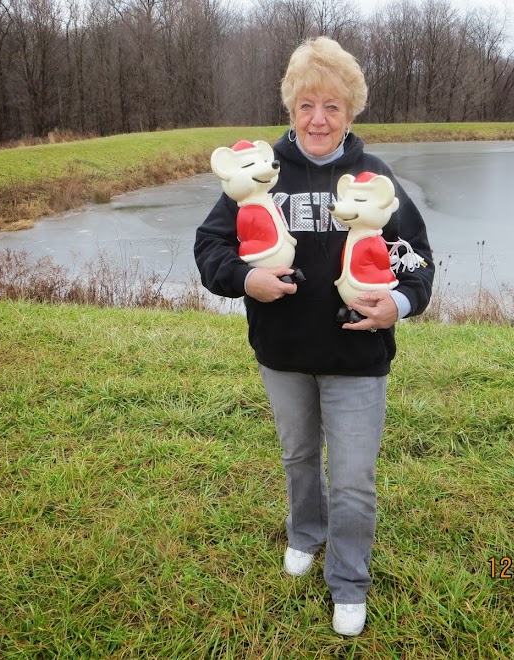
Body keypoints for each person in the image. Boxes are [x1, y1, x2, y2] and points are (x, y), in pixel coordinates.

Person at [194, 36, 434, 637]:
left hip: (358, 357)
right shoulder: (260, 174)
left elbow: (418, 261)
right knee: (299, 456)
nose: (318, 118)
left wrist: (398, 305)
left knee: (352, 477)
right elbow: (209, 248)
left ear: (350, 111)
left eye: (332, 105)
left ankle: (349, 582)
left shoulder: (376, 180)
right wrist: (247, 280)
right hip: (284, 354)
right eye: (306, 105)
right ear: (291, 109)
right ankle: (306, 532)